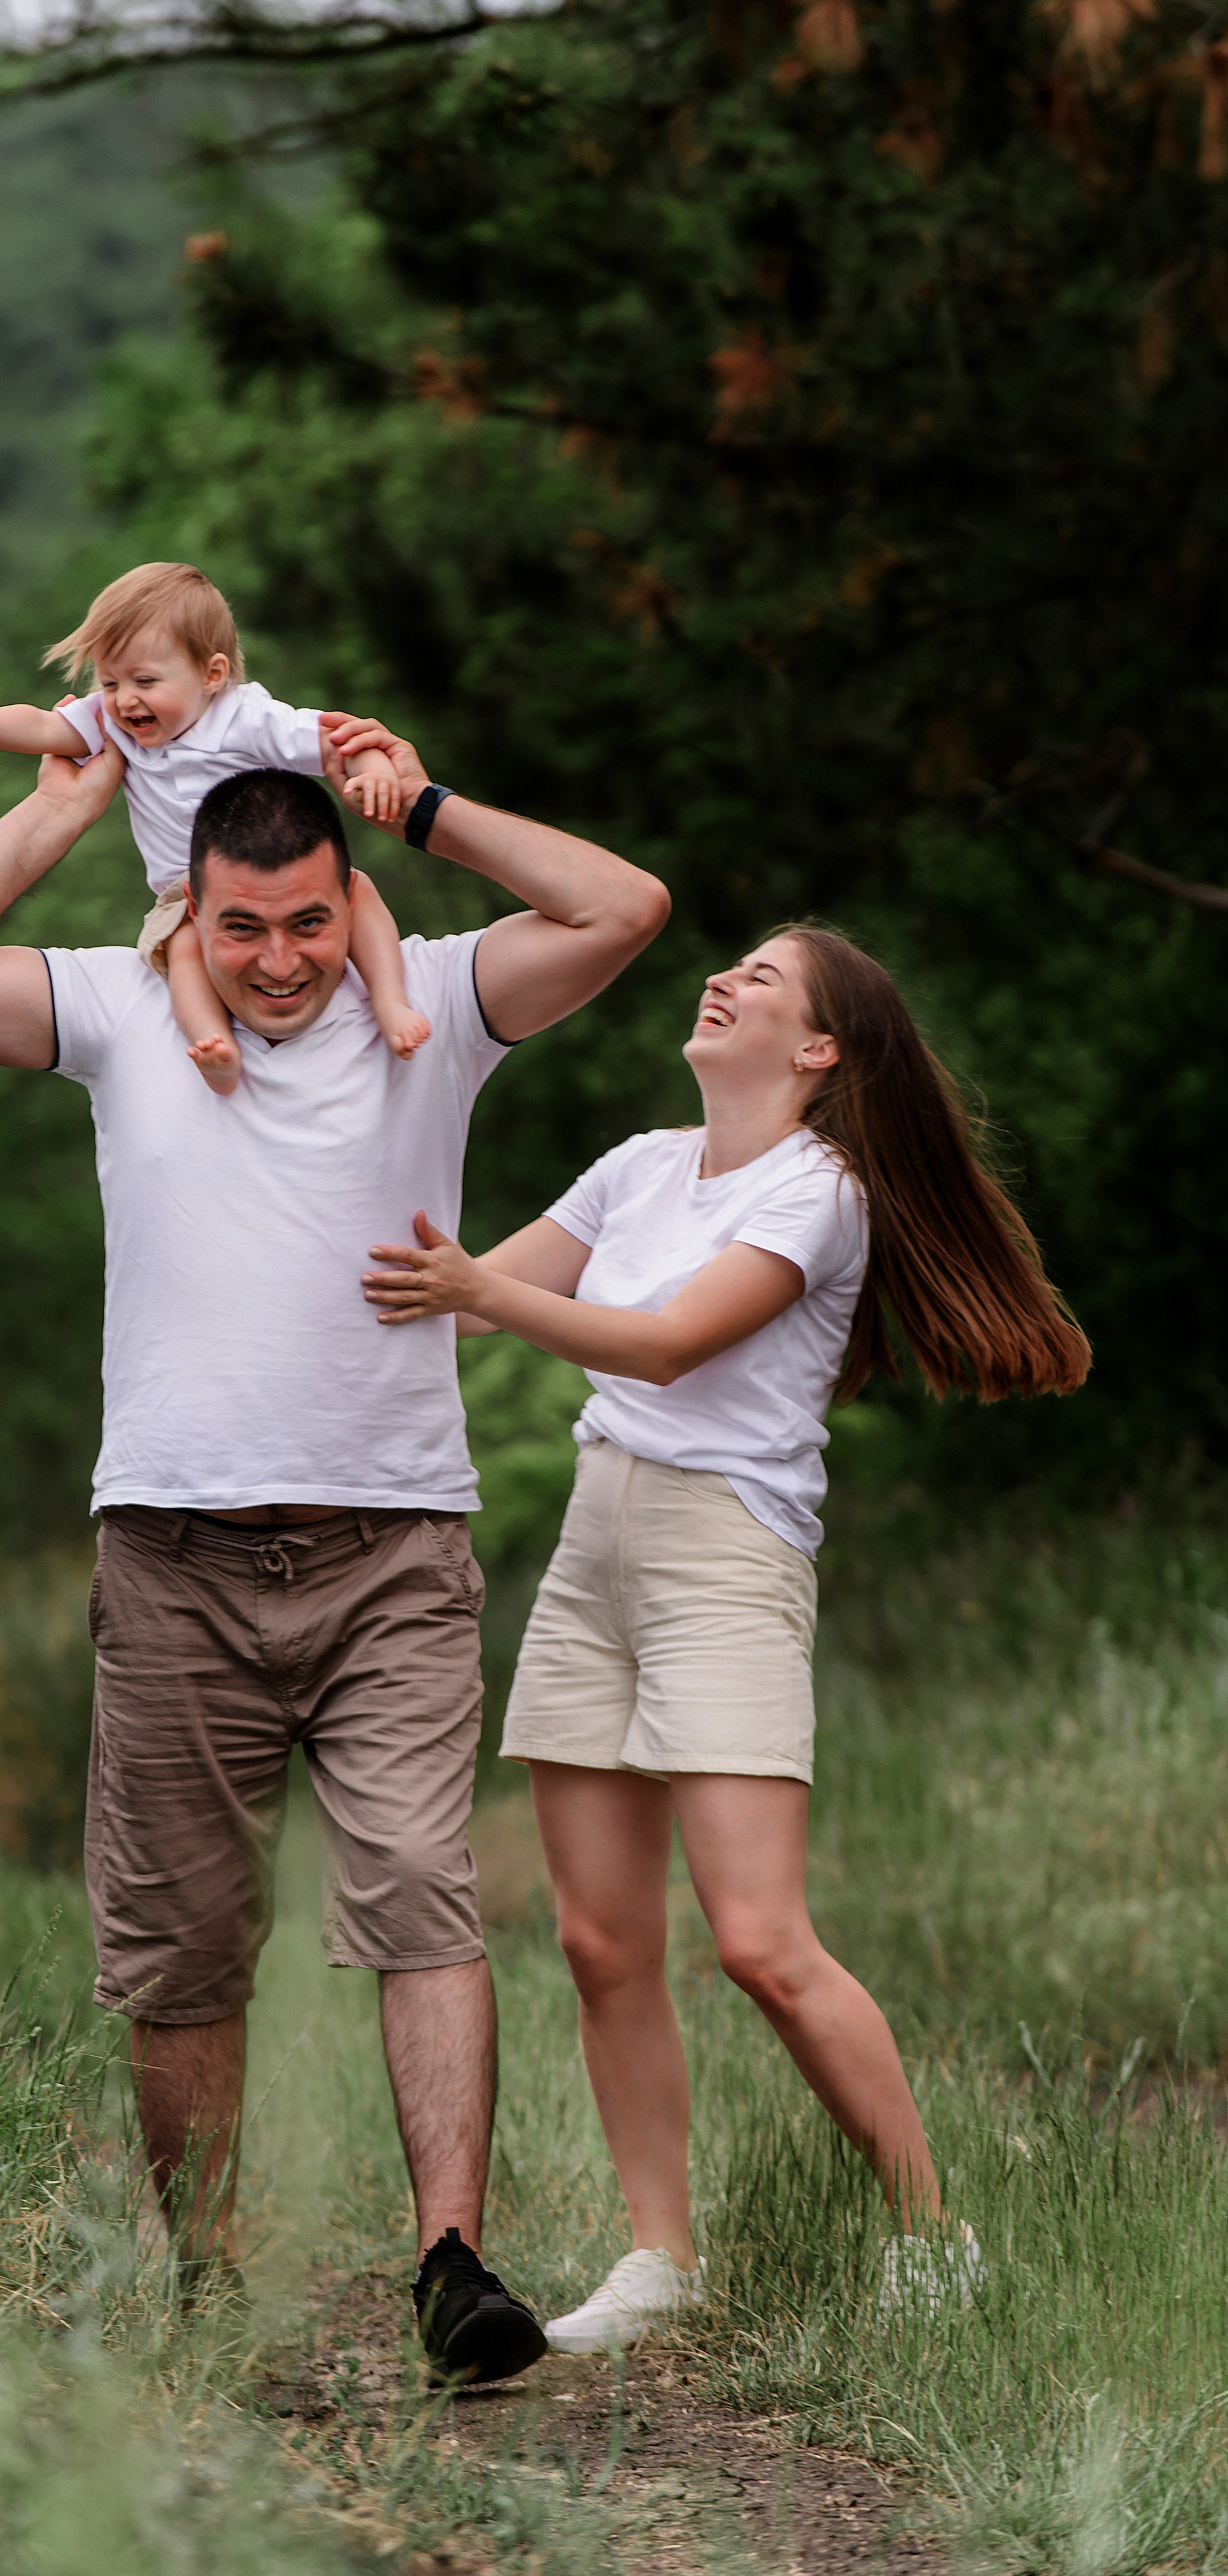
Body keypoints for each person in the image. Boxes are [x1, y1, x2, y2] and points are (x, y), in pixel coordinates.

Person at [0, 718, 670, 2385]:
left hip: (391, 1546)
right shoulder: (119, 1007)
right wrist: (54, 806)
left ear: (342, 897)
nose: (280, 960)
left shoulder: (426, 1008)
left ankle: (451, 2267)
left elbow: (623, 905)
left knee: (423, 1896)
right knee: (182, 1938)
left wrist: (422, 805)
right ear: (189, 913)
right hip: (171, 1550)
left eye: (307, 920)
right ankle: (207, 2290)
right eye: (244, 927)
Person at [360, 922, 1090, 2347]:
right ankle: (659, 2261)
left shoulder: (819, 1190)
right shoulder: (637, 1165)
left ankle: (935, 2236)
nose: (724, 978)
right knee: (599, 1939)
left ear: (817, 1050)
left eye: (763, 978)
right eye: (731, 965)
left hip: (723, 1559)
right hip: (595, 1544)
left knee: (759, 1940)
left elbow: (666, 1339)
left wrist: (476, 1293)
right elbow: (451, 1303)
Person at [0, 559, 426, 1095]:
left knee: (359, 892)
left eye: (145, 680)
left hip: (274, 879)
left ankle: (390, 1002)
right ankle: (216, 1049)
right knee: (180, 946)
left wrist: (373, 772)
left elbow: (337, 742)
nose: (124, 699)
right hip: (182, 896)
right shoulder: (114, 724)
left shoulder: (246, 717)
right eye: (110, 682)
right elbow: (44, 725)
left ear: (212, 674)